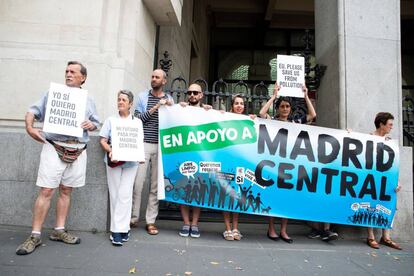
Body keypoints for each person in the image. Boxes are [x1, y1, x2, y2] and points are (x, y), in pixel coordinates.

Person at [16, 61, 99, 255]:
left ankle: (59, 230)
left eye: (73, 72)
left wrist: (91, 125)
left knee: (66, 190)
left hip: (78, 149)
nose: (68, 74)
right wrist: (29, 127)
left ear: (83, 78)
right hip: (54, 147)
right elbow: (32, 112)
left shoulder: (88, 99)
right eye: (67, 71)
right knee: (46, 191)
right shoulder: (52, 94)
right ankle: (35, 235)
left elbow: (95, 122)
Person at [259, 83, 316, 243]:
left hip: (290, 166)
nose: (285, 108)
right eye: (282, 106)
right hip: (274, 164)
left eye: (287, 106)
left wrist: (305, 96)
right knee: (273, 197)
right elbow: (262, 113)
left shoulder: (296, 122)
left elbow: (312, 115)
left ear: (290, 108)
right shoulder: (272, 121)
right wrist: (273, 96)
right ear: (278, 108)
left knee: (286, 199)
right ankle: (271, 229)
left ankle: (283, 230)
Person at [130, 69, 174, 235]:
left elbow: (174, 120)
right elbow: (137, 119)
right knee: (137, 183)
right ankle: (133, 218)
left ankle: (150, 221)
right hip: (143, 144)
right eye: (152, 76)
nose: (154, 79)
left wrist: (173, 107)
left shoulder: (169, 99)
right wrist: (156, 107)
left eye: (157, 77)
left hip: (161, 146)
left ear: (164, 81)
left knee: (155, 186)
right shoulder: (143, 97)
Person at [99, 90, 144, 246]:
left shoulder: (137, 122)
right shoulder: (111, 120)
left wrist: (141, 156)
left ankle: (123, 228)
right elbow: (103, 141)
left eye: (124, 100)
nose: (120, 102)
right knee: (115, 193)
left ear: (130, 104)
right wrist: (111, 151)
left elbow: (138, 142)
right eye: (119, 99)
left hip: (131, 163)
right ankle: (116, 231)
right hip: (114, 162)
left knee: (125, 194)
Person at [177, 83, 212, 238]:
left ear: (201, 95)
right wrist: (176, 107)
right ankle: (186, 223)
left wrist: (214, 112)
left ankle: (195, 224)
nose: (192, 95)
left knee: (198, 191)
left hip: (201, 156)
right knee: (183, 189)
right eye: (189, 92)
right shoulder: (180, 109)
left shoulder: (207, 111)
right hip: (184, 155)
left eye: (195, 93)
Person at [366, 112, 402, 250]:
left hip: (386, 178)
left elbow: (393, 164)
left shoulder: (390, 142)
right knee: (370, 205)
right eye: (390, 124)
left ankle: (386, 237)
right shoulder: (368, 138)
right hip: (371, 177)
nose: (391, 127)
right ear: (381, 124)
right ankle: (370, 236)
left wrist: (397, 181)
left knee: (388, 204)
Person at [222, 94, 255, 241]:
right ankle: (227, 228)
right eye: (236, 103)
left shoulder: (248, 121)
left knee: (238, 196)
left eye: (242, 103)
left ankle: (235, 227)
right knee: (227, 195)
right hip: (227, 163)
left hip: (241, 165)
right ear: (232, 106)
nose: (239, 106)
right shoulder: (225, 119)